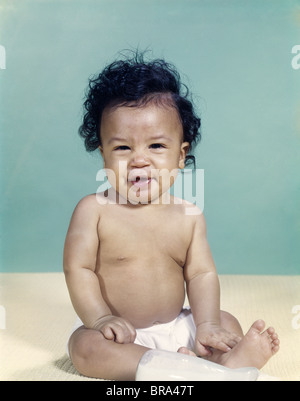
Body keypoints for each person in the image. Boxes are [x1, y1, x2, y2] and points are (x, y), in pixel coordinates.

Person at [63, 52, 279, 380]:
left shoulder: (189, 215)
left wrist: (205, 325)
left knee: (225, 321)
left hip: (178, 326)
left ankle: (208, 364)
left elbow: (201, 275)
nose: (139, 160)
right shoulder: (93, 211)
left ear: (180, 156)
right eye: (122, 148)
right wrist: (100, 320)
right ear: (103, 155)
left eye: (156, 146)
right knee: (83, 346)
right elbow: (78, 269)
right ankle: (204, 370)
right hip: (124, 337)